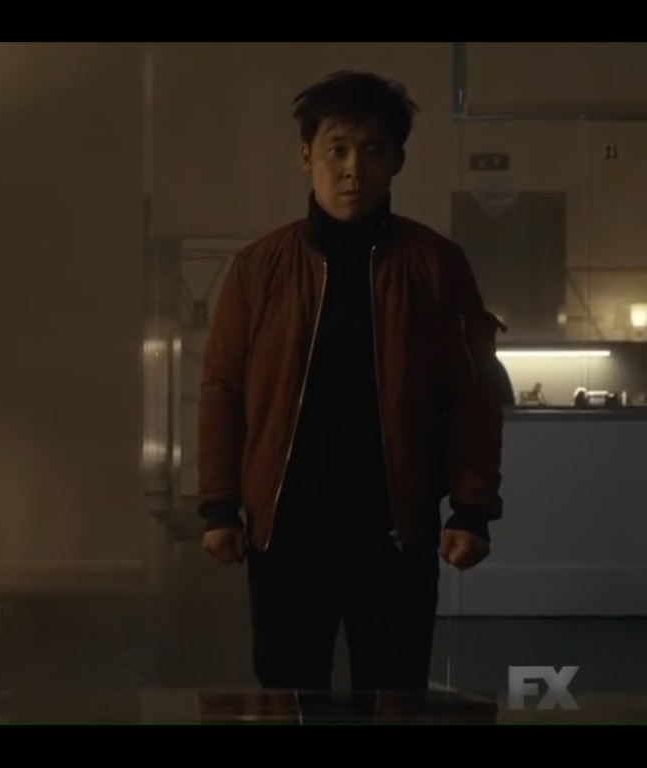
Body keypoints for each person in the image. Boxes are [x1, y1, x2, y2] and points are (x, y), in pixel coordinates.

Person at [197, 72, 504, 693]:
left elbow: (473, 397)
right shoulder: (260, 268)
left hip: (395, 532)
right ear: (306, 156)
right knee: (287, 696)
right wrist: (219, 505)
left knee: (394, 698)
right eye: (336, 149)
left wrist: (472, 509)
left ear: (397, 161)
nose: (353, 170)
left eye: (372, 150)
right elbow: (222, 391)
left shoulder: (436, 265)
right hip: (286, 531)